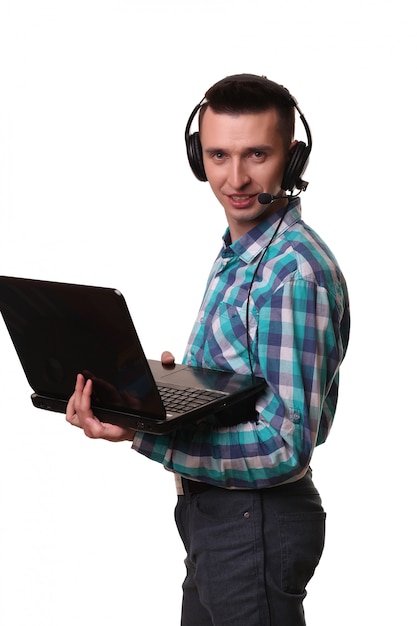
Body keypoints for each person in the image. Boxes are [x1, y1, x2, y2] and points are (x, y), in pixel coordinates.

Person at [66, 74, 350, 625]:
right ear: (199, 156)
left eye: (257, 155)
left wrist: (146, 432)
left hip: (253, 522)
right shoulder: (244, 254)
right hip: (219, 517)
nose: (235, 177)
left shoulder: (291, 272)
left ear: (292, 161)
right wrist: (182, 390)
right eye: (218, 154)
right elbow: (253, 385)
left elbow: (286, 445)